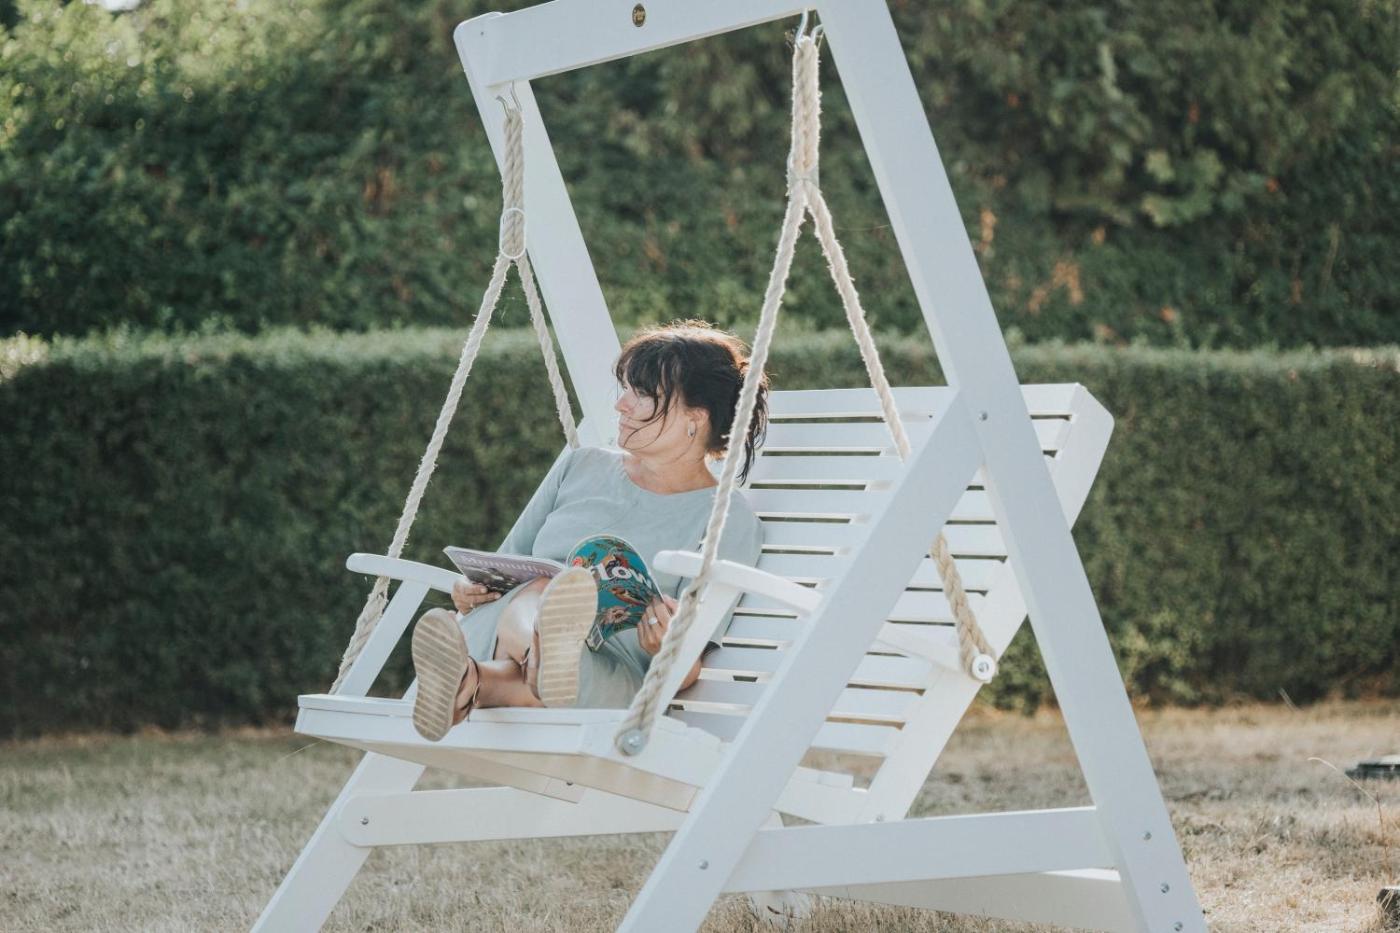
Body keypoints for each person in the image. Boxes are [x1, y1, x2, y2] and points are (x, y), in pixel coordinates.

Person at [409, 320, 768, 741]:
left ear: (695, 418)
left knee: (546, 593)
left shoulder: (728, 519)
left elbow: (688, 669)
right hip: (504, 629)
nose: (621, 405)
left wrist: (668, 643)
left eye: (642, 394)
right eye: (625, 389)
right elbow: (503, 565)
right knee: (542, 588)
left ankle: (471, 681)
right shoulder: (581, 466)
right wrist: (468, 591)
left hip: (610, 675)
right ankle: (536, 661)